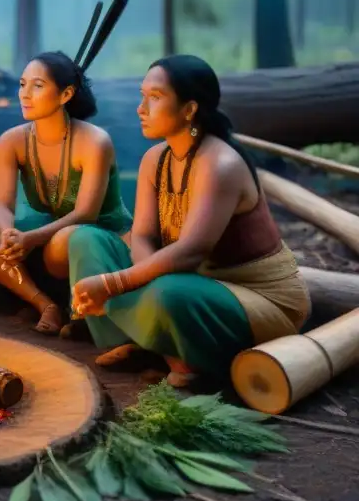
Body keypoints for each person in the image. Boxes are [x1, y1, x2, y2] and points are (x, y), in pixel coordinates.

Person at [68, 55, 311, 387]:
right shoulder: (156, 159)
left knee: (169, 293)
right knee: (86, 240)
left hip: (253, 297)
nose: (141, 108)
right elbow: (142, 235)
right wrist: (140, 280)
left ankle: (188, 364)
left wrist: (115, 284)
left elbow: (190, 252)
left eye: (155, 97)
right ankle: (146, 341)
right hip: (185, 280)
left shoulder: (220, 163)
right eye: (142, 95)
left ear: (189, 109)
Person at [0, 50, 132, 335]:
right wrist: (7, 233)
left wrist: (29, 239)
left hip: (94, 241)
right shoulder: (12, 141)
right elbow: (3, 206)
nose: (24, 94)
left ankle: (81, 315)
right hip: (44, 238)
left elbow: (86, 214)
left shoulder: (93, 142)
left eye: (37, 86)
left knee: (67, 238)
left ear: (65, 94)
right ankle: (44, 303)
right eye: (22, 84)